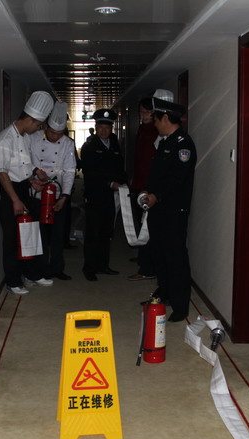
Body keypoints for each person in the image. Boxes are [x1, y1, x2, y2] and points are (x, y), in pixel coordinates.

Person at [139, 91, 196, 322]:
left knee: (175, 257)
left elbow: (177, 179)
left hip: (173, 211)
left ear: (165, 118)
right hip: (158, 209)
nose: (154, 123)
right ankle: (164, 294)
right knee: (159, 254)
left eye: (155, 119)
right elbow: (158, 176)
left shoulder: (183, 144)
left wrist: (157, 196)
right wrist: (148, 193)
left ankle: (180, 306)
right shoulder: (165, 142)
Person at [0, 90, 55, 295]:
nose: (38, 128)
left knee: (29, 233)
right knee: (12, 238)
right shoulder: (5, 139)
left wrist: (33, 180)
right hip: (8, 192)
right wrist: (15, 200)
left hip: (22, 187)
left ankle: (32, 273)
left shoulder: (25, 137)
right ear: (29, 119)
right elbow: (2, 173)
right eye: (38, 125)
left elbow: (23, 167)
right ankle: (12, 281)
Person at [29, 102, 76, 280]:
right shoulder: (33, 138)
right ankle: (40, 269)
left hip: (57, 192)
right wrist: (34, 175)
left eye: (59, 133)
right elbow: (25, 162)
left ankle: (57, 268)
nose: (56, 137)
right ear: (46, 127)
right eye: (52, 133)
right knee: (39, 232)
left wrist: (65, 196)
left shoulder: (68, 144)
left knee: (58, 233)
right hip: (36, 192)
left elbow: (69, 171)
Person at [80, 108, 127, 281]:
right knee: (93, 232)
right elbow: (90, 172)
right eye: (100, 127)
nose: (104, 131)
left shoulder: (114, 145)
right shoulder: (89, 146)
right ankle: (89, 268)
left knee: (107, 232)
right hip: (95, 195)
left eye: (107, 127)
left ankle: (103, 265)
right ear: (96, 127)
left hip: (110, 197)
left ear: (111, 128)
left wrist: (124, 183)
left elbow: (119, 168)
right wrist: (109, 183)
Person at [127, 96, 159, 281]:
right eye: (142, 112)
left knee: (148, 226)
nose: (144, 115)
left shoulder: (157, 131)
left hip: (149, 187)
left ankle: (147, 268)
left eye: (148, 112)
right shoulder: (141, 129)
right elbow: (139, 158)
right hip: (138, 183)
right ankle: (143, 257)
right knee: (140, 223)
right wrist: (134, 176)